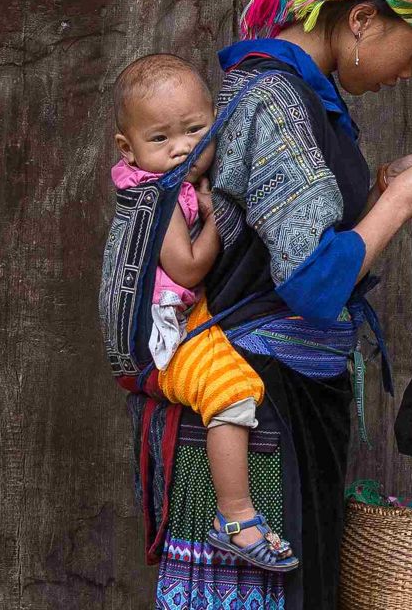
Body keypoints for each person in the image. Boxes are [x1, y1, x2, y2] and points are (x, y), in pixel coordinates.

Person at [144, 0, 412, 610]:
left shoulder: (300, 98)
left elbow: (286, 228)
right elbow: (311, 282)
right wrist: (397, 209)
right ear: (360, 20)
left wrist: (385, 190)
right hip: (259, 410)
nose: (410, 71)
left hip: (289, 402)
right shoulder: (274, 101)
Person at [110, 53, 299, 572]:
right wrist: (218, 217)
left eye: (196, 130)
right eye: (161, 139)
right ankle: (235, 518)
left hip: (184, 320)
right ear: (128, 149)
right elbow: (189, 268)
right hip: (164, 337)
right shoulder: (158, 195)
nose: (182, 149)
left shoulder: (170, 181)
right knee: (232, 394)